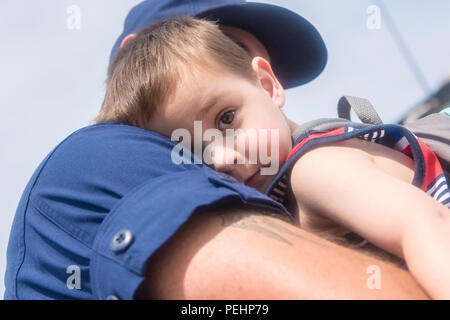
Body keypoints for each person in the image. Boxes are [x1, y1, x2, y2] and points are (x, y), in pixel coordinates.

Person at [4, 0, 429, 299]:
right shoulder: (87, 169)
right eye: (187, 151)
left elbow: (423, 224)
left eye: (226, 117)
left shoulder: (317, 167)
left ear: (266, 81)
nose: (223, 158)